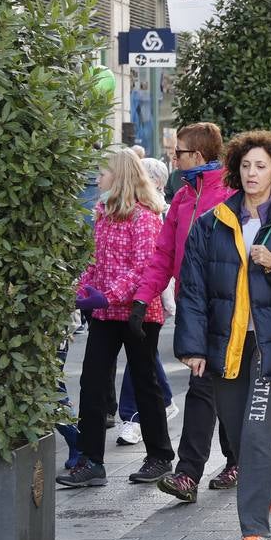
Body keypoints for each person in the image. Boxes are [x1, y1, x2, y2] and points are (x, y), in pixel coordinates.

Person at [174, 131, 271, 540]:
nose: (252, 174)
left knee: (254, 435)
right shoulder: (210, 223)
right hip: (227, 346)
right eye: (247, 166)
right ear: (236, 169)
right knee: (237, 435)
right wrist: (192, 347)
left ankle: (253, 531)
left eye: (261, 167)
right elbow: (192, 291)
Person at [132, 124, 241, 503]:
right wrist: (143, 298)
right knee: (210, 384)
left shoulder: (228, 193)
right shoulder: (182, 197)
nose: (173, 159)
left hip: (226, 307)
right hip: (192, 305)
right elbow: (163, 253)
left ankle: (190, 473)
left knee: (206, 385)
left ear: (196, 155)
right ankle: (231, 461)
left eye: (177, 153)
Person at [58, 149, 174, 489]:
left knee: (145, 383)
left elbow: (143, 268)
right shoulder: (103, 214)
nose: (98, 177)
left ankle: (160, 456)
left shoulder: (145, 217)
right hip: (106, 313)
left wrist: (108, 294)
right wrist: (83, 288)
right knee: (92, 383)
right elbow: (95, 262)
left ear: (120, 176)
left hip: (139, 312)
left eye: (103, 171)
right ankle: (91, 460)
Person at [115, 158, 178, 444]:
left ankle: (132, 417)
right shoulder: (120, 211)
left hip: (147, 301)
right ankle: (162, 403)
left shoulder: (155, 211)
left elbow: (156, 262)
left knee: (141, 362)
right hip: (136, 299)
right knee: (145, 361)